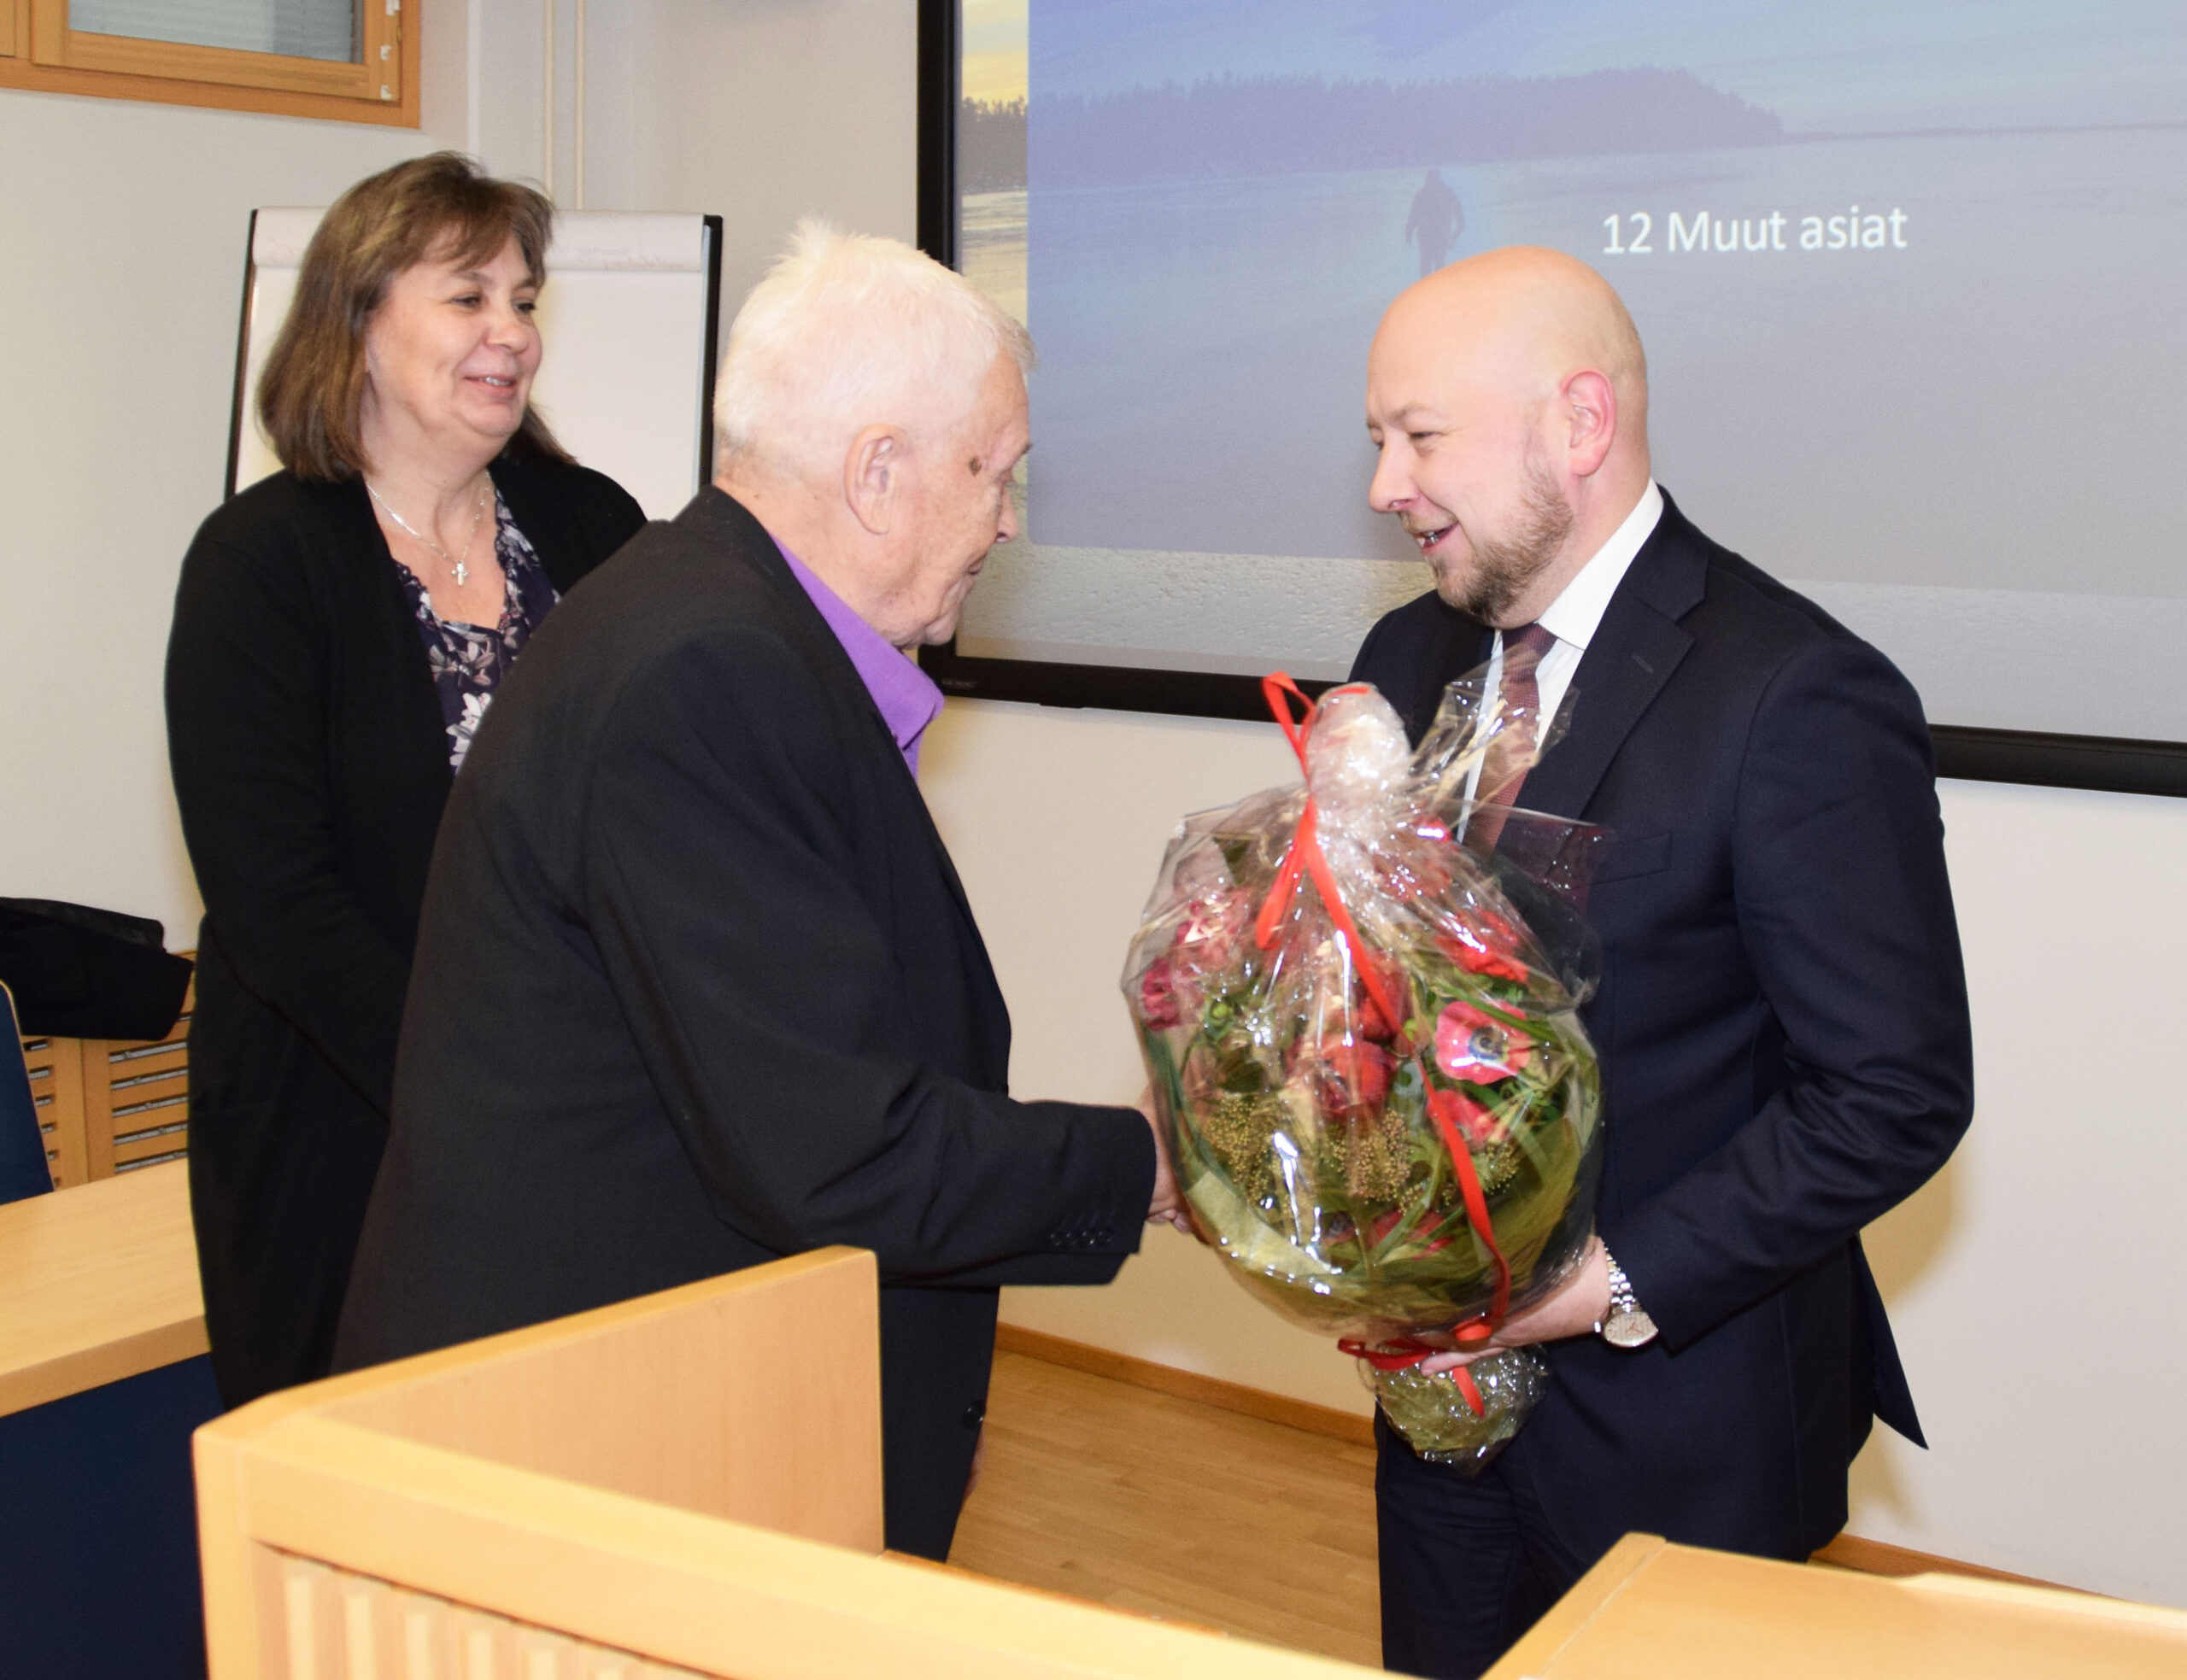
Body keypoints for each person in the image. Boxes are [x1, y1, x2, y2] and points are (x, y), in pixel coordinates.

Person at [333, 223, 1176, 1561]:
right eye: (997, 471)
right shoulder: (707, 674)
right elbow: (840, 1151)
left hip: (664, 1418)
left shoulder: (718, 625)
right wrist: (1155, 1161)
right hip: (590, 1467)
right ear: (878, 471)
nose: (1010, 518)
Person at [1349, 246, 1974, 1679]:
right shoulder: (1402, 656)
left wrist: (1602, 1283)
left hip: (1686, 1427)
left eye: (1421, 435)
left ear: (1579, 423)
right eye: (1378, 439)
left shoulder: (1792, 692)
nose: (1386, 484)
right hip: (1436, 1411)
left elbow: (1892, 1093)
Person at [165, 155, 647, 1410]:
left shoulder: (594, 525)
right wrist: (478, 1089)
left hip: (593, 1125)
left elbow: (676, 801)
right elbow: (281, 907)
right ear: (360, 322)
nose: (512, 332)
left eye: (524, 300)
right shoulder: (260, 565)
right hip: (349, 1137)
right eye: (468, 297)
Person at [1405, 168, 1465, 278]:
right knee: (1433, 261)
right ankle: (1433, 284)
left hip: (1432, 234)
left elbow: (1414, 215)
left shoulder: (1424, 194)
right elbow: (1414, 215)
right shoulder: (1445, 193)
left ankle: (1431, 285)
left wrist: (1409, 231)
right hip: (1435, 234)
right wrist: (1408, 231)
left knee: (1430, 262)